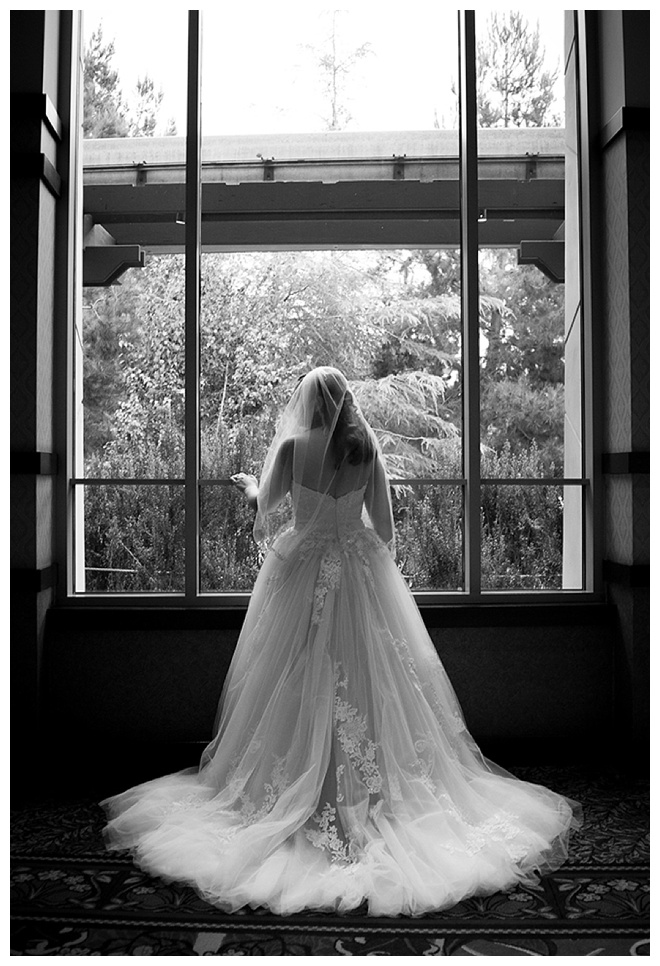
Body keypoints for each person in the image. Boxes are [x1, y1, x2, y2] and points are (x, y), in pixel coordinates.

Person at [102, 366, 581, 917]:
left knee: (292, 670)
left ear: (310, 403)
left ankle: (291, 788)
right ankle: (374, 792)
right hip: (357, 573)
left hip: (302, 572)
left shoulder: (292, 448)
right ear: (346, 401)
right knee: (372, 676)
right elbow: (385, 528)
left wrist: (253, 488)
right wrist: (355, 541)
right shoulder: (365, 448)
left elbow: (267, 510)